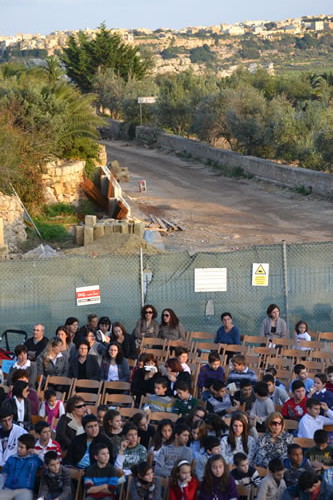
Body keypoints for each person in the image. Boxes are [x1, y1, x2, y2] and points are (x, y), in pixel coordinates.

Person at [1, 434, 43, 499]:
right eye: (18, 446)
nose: (18, 449)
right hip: (8, 488)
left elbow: (47, 462)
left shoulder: (35, 459)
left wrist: (38, 453)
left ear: (29, 449)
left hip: (25, 490)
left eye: (21, 447)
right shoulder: (11, 458)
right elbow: (4, 475)